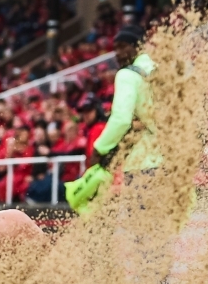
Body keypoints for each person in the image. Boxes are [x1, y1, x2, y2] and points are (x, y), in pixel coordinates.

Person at [65, 24, 158, 213]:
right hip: (171, 163)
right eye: (115, 48)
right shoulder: (162, 71)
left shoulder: (128, 74)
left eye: (123, 46)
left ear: (138, 46)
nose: (118, 53)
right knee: (162, 234)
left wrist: (99, 149)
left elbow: (121, 119)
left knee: (142, 235)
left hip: (143, 164)